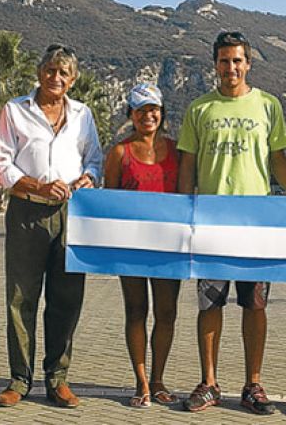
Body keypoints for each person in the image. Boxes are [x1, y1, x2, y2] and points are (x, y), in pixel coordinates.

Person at [177, 31, 286, 415]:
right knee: (209, 306)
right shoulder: (199, 109)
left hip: (256, 226)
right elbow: (187, 168)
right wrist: (184, 216)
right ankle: (209, 383)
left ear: (248, 64)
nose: (231, 67)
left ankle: (253, 385)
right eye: (224, 61)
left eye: (237, 60)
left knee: (255, 305)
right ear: (214, 64)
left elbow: (278, 161)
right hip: (211, 224)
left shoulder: (268, 105)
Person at [0, 44, 104, 409]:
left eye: (64, 73)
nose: (56, 78)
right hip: (27, 212)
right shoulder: (14, 111)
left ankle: (58, 378)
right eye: (51, 70)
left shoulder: (83, 114)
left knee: (67, 299)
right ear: (39, 72)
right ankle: (19, 379)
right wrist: (37, 185)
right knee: (21, 299)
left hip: (72, 216)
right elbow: (1, 164)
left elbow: (96, 159)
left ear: (72, 79)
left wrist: (89, 177)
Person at [103, 83, 181, 408]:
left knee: (166, 313)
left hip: (168, 248)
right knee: (136, 311)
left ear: (161, 113)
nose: (148, 115)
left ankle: (159, 379)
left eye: (153, 109)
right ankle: (142, 382)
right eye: (140, 110)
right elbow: (108, 201)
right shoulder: (120, 152)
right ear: (131, 115)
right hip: (131, 248)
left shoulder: (178, 150)